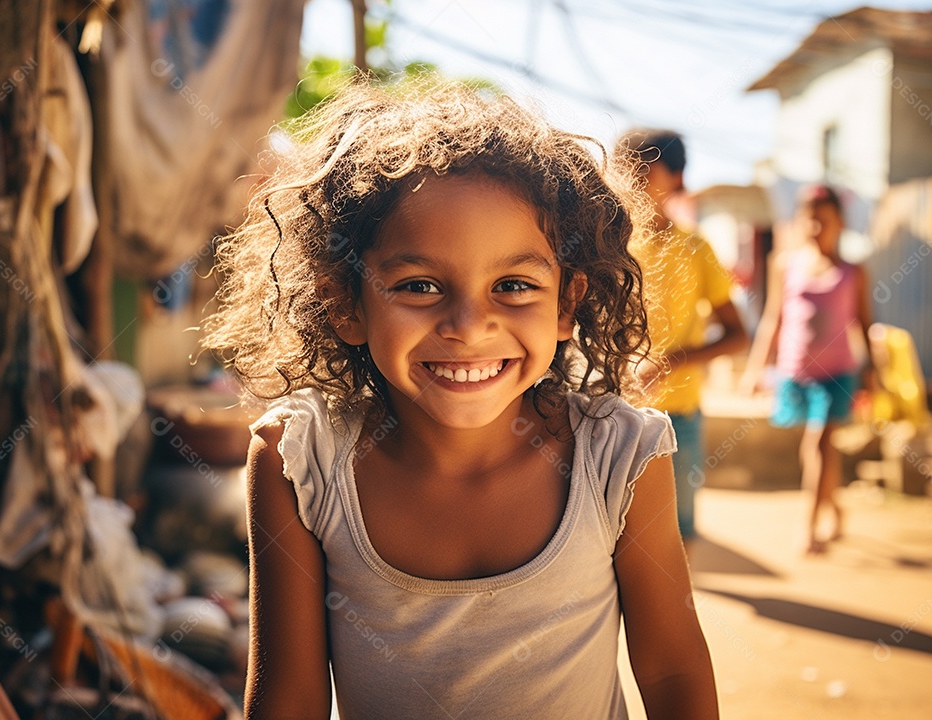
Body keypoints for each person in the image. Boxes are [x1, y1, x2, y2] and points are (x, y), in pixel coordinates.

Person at [203, 80, 718, 719]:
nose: (469, 326)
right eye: (419, 285)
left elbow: (673, 673)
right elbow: (289, 699)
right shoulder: (301, 464)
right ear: (345, 305)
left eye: (513, 284)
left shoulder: (621, 458)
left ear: (567, 303)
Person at [614, 129, 748, 540]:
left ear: (676, 176)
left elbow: (737, 335)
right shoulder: (607, 244)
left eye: (645, 167)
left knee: (676, 529)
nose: (633, 177)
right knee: (612, 529)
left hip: (678, 416)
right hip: (610, 410)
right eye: (626, 167)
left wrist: (672, 363)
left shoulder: (695, 247)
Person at [740, 184, 874, 554]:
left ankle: (810, 527)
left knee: (820, 441)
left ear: (840, 223)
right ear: (801, 222)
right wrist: (755, 369)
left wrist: (873, 372)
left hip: (838, 374)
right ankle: (834, 505)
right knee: (812, 447)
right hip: (796, 371)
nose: (817, 228)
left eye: (825, 221)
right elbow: (773, 319)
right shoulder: (785, 264)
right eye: (810, 220)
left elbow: (864, 322)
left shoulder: (853, 271)